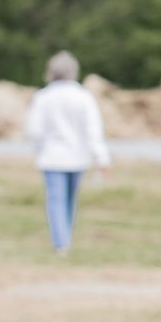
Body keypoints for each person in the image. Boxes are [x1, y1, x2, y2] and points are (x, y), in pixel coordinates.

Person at [25, 50, 110, 254]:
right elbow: (93, 130)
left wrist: (38, 149)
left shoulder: (43, 97)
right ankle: (65, 238)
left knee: (56, 200)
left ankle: (61, 243)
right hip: (77, 158)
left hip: (51, 158)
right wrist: (101, 158)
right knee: (70, 199)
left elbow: (34, 130)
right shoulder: (83, 97)